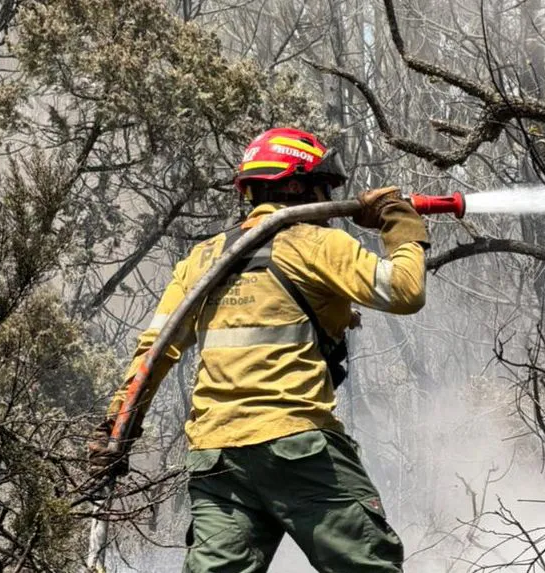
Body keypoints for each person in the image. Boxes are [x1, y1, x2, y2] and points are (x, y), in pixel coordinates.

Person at [89, 127, 429, 572]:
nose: (328, 202)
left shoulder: (203, 259)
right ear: (295, 185)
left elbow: (155, 351)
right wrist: (399, 222)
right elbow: (405, 291)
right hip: (298, 446)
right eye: (322, 186)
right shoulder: (315, 243)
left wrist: (117, 430)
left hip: (217, 458)